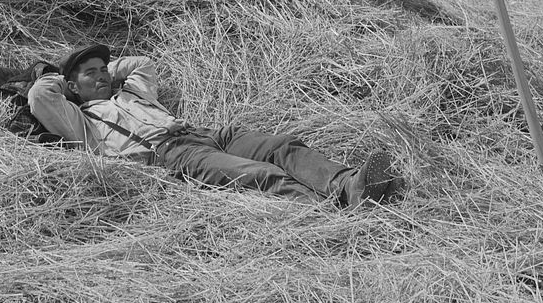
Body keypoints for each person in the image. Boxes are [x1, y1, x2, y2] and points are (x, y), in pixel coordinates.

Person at [26, 43, 403, 209]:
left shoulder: (131, 92)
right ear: (73, 87)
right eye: (91, 74)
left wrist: (107, 69)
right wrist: (64, 79)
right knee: (261, 174)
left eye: (104, 70)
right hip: (170, 155)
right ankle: (330, 213)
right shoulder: (80, 119)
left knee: (281, 145)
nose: (103, 77)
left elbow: (142, 63)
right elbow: (41, 96)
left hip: (205, 133)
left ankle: (350, 186)